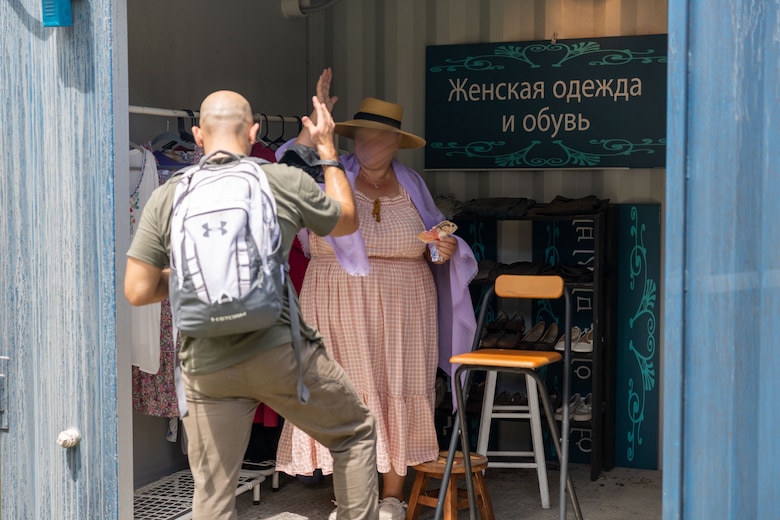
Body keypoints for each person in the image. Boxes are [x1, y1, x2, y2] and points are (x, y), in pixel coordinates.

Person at [124, 90, 379, 520]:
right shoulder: (281, 180)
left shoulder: (169, 195)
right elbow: (347, 219)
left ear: (197, 136)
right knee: (354, 433)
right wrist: (328, 152)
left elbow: (138, 289)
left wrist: (193, 275)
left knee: (213, 494)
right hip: (279, 352)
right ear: (255, 132)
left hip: (206, 364)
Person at [275, 69, 478, 520]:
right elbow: (285, 167)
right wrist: (315, 121)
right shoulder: (329, 170)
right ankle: (351, 498)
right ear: (353, 138)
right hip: (335, 299)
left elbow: (437, 237)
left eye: (382, 137)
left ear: (396, 142)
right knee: (345, 393)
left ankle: (391, 497)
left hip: (406, 305)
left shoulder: (412, 185)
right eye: (365, 135)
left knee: (398, 389)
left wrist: (443, 249)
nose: (372, 143)